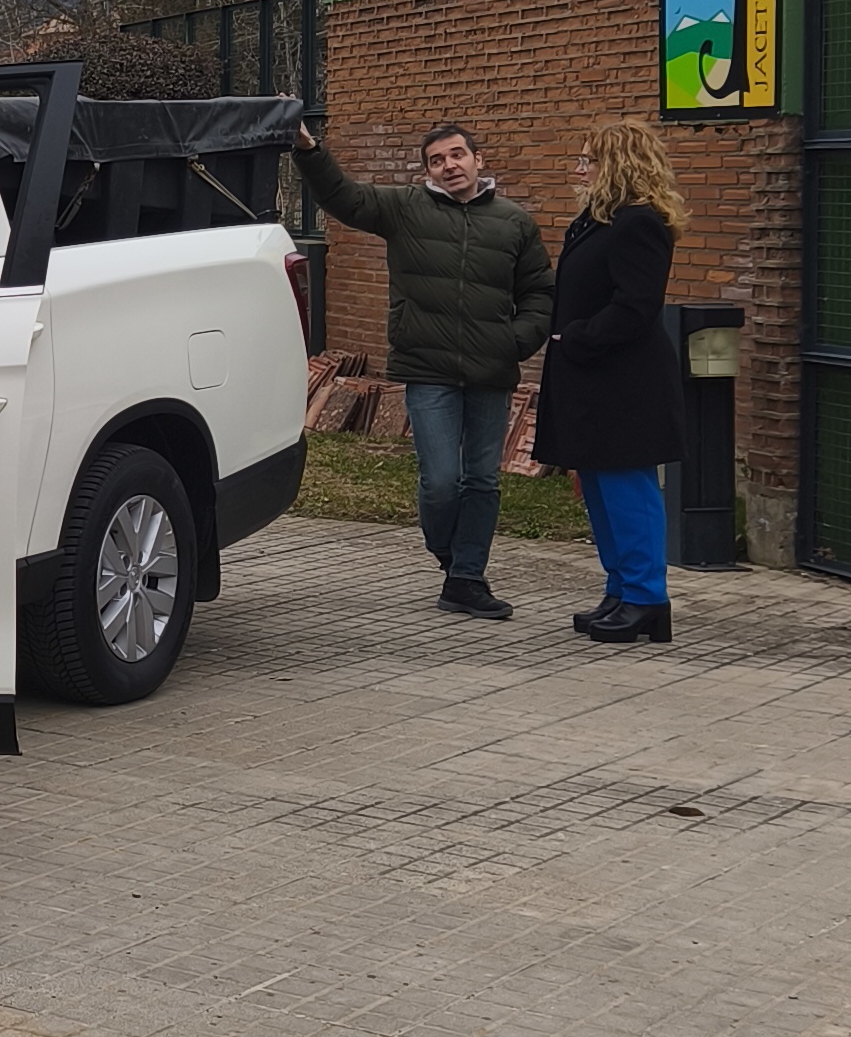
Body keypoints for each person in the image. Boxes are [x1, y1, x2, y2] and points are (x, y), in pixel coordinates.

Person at [295, 114, 552, 620]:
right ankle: (449, 555)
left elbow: (540, 292)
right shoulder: (404, 209)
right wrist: (308, 149)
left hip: (490, 371)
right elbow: (343, 197)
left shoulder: (513, 221)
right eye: (437, 160)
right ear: (427, 172)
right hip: (427, 369)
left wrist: (513, 343)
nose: (449, 166)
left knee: (481, 480)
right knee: (440, 480)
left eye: (457, 155)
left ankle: (466, 581)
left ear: (479, 160)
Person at [534, 117, 689, 645]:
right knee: (599, 488)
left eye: (589, 161)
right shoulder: (598, 220)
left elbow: (636, 306)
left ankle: (647, 598)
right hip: (591, 380)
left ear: (618, 165)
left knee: (628, 489)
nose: (580, 170)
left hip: (625, 382)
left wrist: (577, 337)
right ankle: (621, 588)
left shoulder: (639, 223)